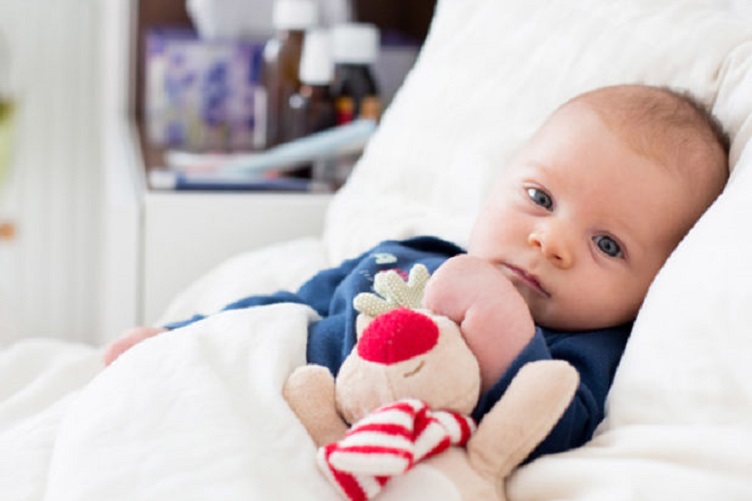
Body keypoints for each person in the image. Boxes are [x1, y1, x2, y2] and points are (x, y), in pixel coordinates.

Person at [103, 84, 730, 461]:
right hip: (262, 402)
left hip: (335, 463)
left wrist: (497, 318)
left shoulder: (583, 353)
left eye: (607, 244)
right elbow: (287, 307)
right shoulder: (405, 256)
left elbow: (552, 431)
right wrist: (181, 337)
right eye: (540, 198)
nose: (551, 241)